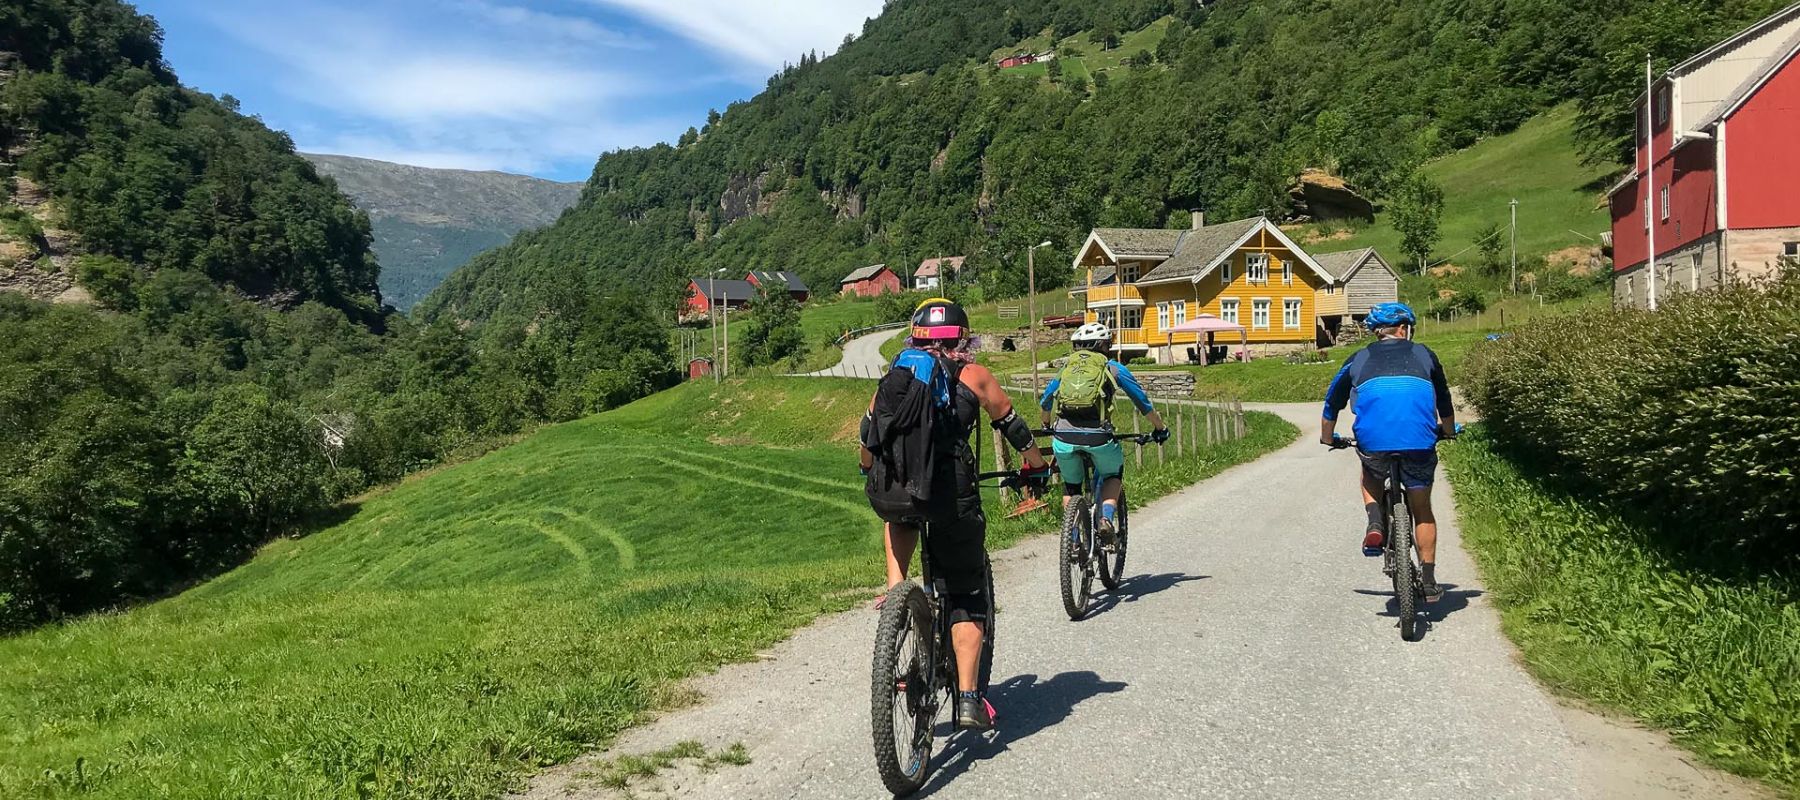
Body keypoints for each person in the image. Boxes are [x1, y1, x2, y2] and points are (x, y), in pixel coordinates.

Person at [860, 298, 1050, 731]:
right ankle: (967, 698)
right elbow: (1014, 427)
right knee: (965, 595)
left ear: (915, 337)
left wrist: (869, 470)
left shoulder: (896, 376)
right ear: (963, 338)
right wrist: (1035, 465)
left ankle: (897, 594)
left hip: (898, 491)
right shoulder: (974, 376)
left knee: (901, 515)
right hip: (952, 497)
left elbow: (868, 433)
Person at [1320, 302, 1456, 600]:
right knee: (1422, 510)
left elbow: (1333, 401)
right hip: (1419, 442)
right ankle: (1430, 581)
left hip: (1375, 441)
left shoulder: (1359, 357)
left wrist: (1328, 438)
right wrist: (1447, 431)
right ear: (1404, 329)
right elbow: (1444, 401)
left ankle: (1375, 522)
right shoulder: (1424, 354)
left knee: (1370, 473)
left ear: (1377, 332)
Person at [1038, 323, 1169, 542]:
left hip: (1063, 437)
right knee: (1112, 475)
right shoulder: (1113, 367)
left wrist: (1046, 425)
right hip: (1098, 437)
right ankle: (1106, 520)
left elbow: (1046, 401)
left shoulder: (1066, 368)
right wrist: (1160, 428)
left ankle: (1073, 540)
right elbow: (1142, 403)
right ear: (1104, 345)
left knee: (1071, 487)